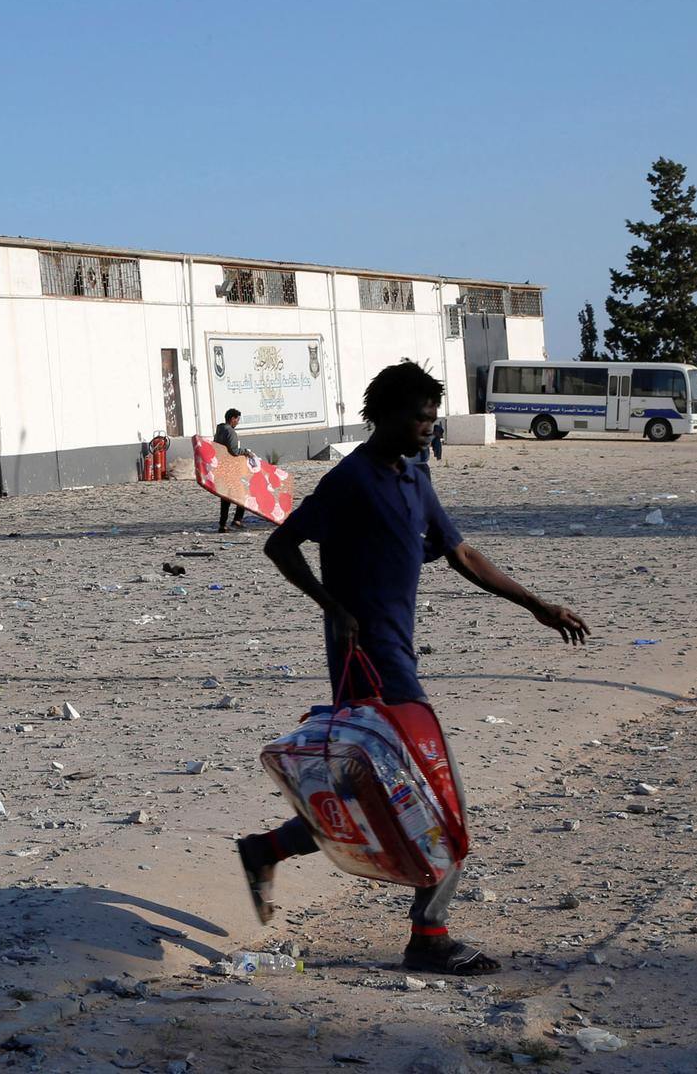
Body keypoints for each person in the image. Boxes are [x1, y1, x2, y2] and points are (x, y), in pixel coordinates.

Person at [234, 362, 588, 976]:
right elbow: (279, 544)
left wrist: (537, 604)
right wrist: (333, 607)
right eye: (419, 417)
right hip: (367, 662)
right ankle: (429, 937)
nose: (428, 427)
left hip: (395, 656)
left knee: (370, 789)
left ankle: (267, 848)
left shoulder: (415, 477)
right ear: (386, 415)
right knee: (436, 801)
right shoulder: (350, 480)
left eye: (433, 416)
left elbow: (461, 554)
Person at [213, 408, 250, 533]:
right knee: (242, 493)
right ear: (232, 418)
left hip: (221, 467)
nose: (237, 423)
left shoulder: (219, 430)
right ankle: (237, 520)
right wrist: (245, 452)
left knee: (225, 497)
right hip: (231, 468)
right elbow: (234, 451)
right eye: (237, 420)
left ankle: (222, 524)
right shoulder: (230, 432)